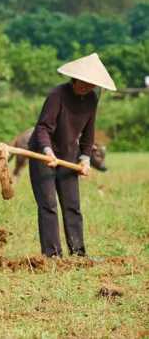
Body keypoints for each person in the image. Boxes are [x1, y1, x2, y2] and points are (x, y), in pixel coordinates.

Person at [28, 53, 116, 258]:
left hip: (68, 154)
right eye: (83, 83)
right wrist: (47, 152)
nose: (87, 88)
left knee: (72, 205)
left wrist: (85, 158)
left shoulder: (92, 99)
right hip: (43, 153)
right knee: (48, 204)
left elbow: (88, 132)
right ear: (74, 79)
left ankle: (78, 253)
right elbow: (42, 128)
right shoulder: (57, 95)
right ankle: (52, 255)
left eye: (91, 85)